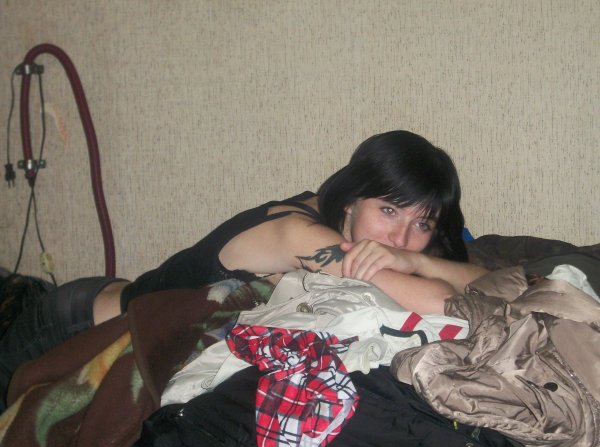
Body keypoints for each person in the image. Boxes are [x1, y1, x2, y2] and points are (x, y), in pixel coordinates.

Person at [0, 129, 487, 412]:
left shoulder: (368, 233)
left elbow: (491, 282)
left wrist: (420, 259)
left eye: (422, 224)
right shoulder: (299, 235)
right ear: (353, 199)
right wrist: (414, 265)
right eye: (389, 211)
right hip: (71, 326)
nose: (399, 238)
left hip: (118, 308)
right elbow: (451, 304)